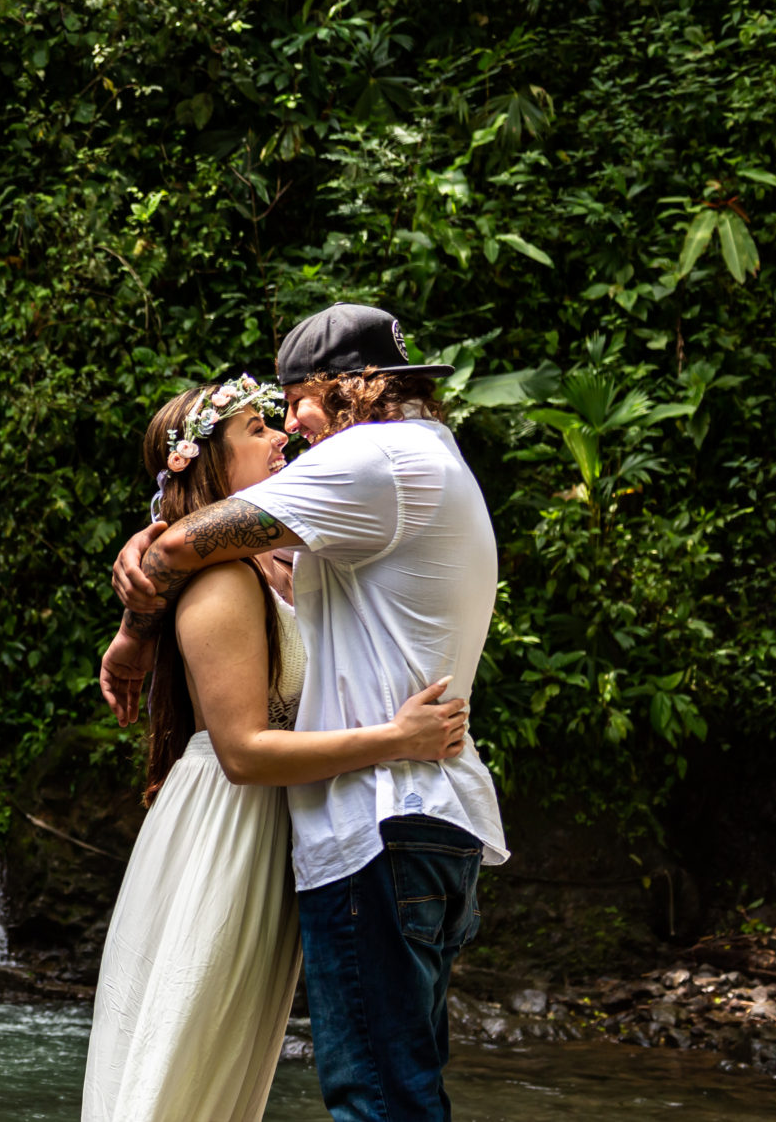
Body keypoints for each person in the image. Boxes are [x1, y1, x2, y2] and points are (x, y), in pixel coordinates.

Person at [100, 304, 507, 1122]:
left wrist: (133, 634)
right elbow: (200, 552)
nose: (292, 432)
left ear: (349, 391)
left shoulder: (372, 460)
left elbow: (179, 544)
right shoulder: (394, 478)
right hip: (368, 822)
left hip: (379, 823)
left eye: (294, 405)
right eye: (268, 421)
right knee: (388, 1089)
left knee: (378, 1098)